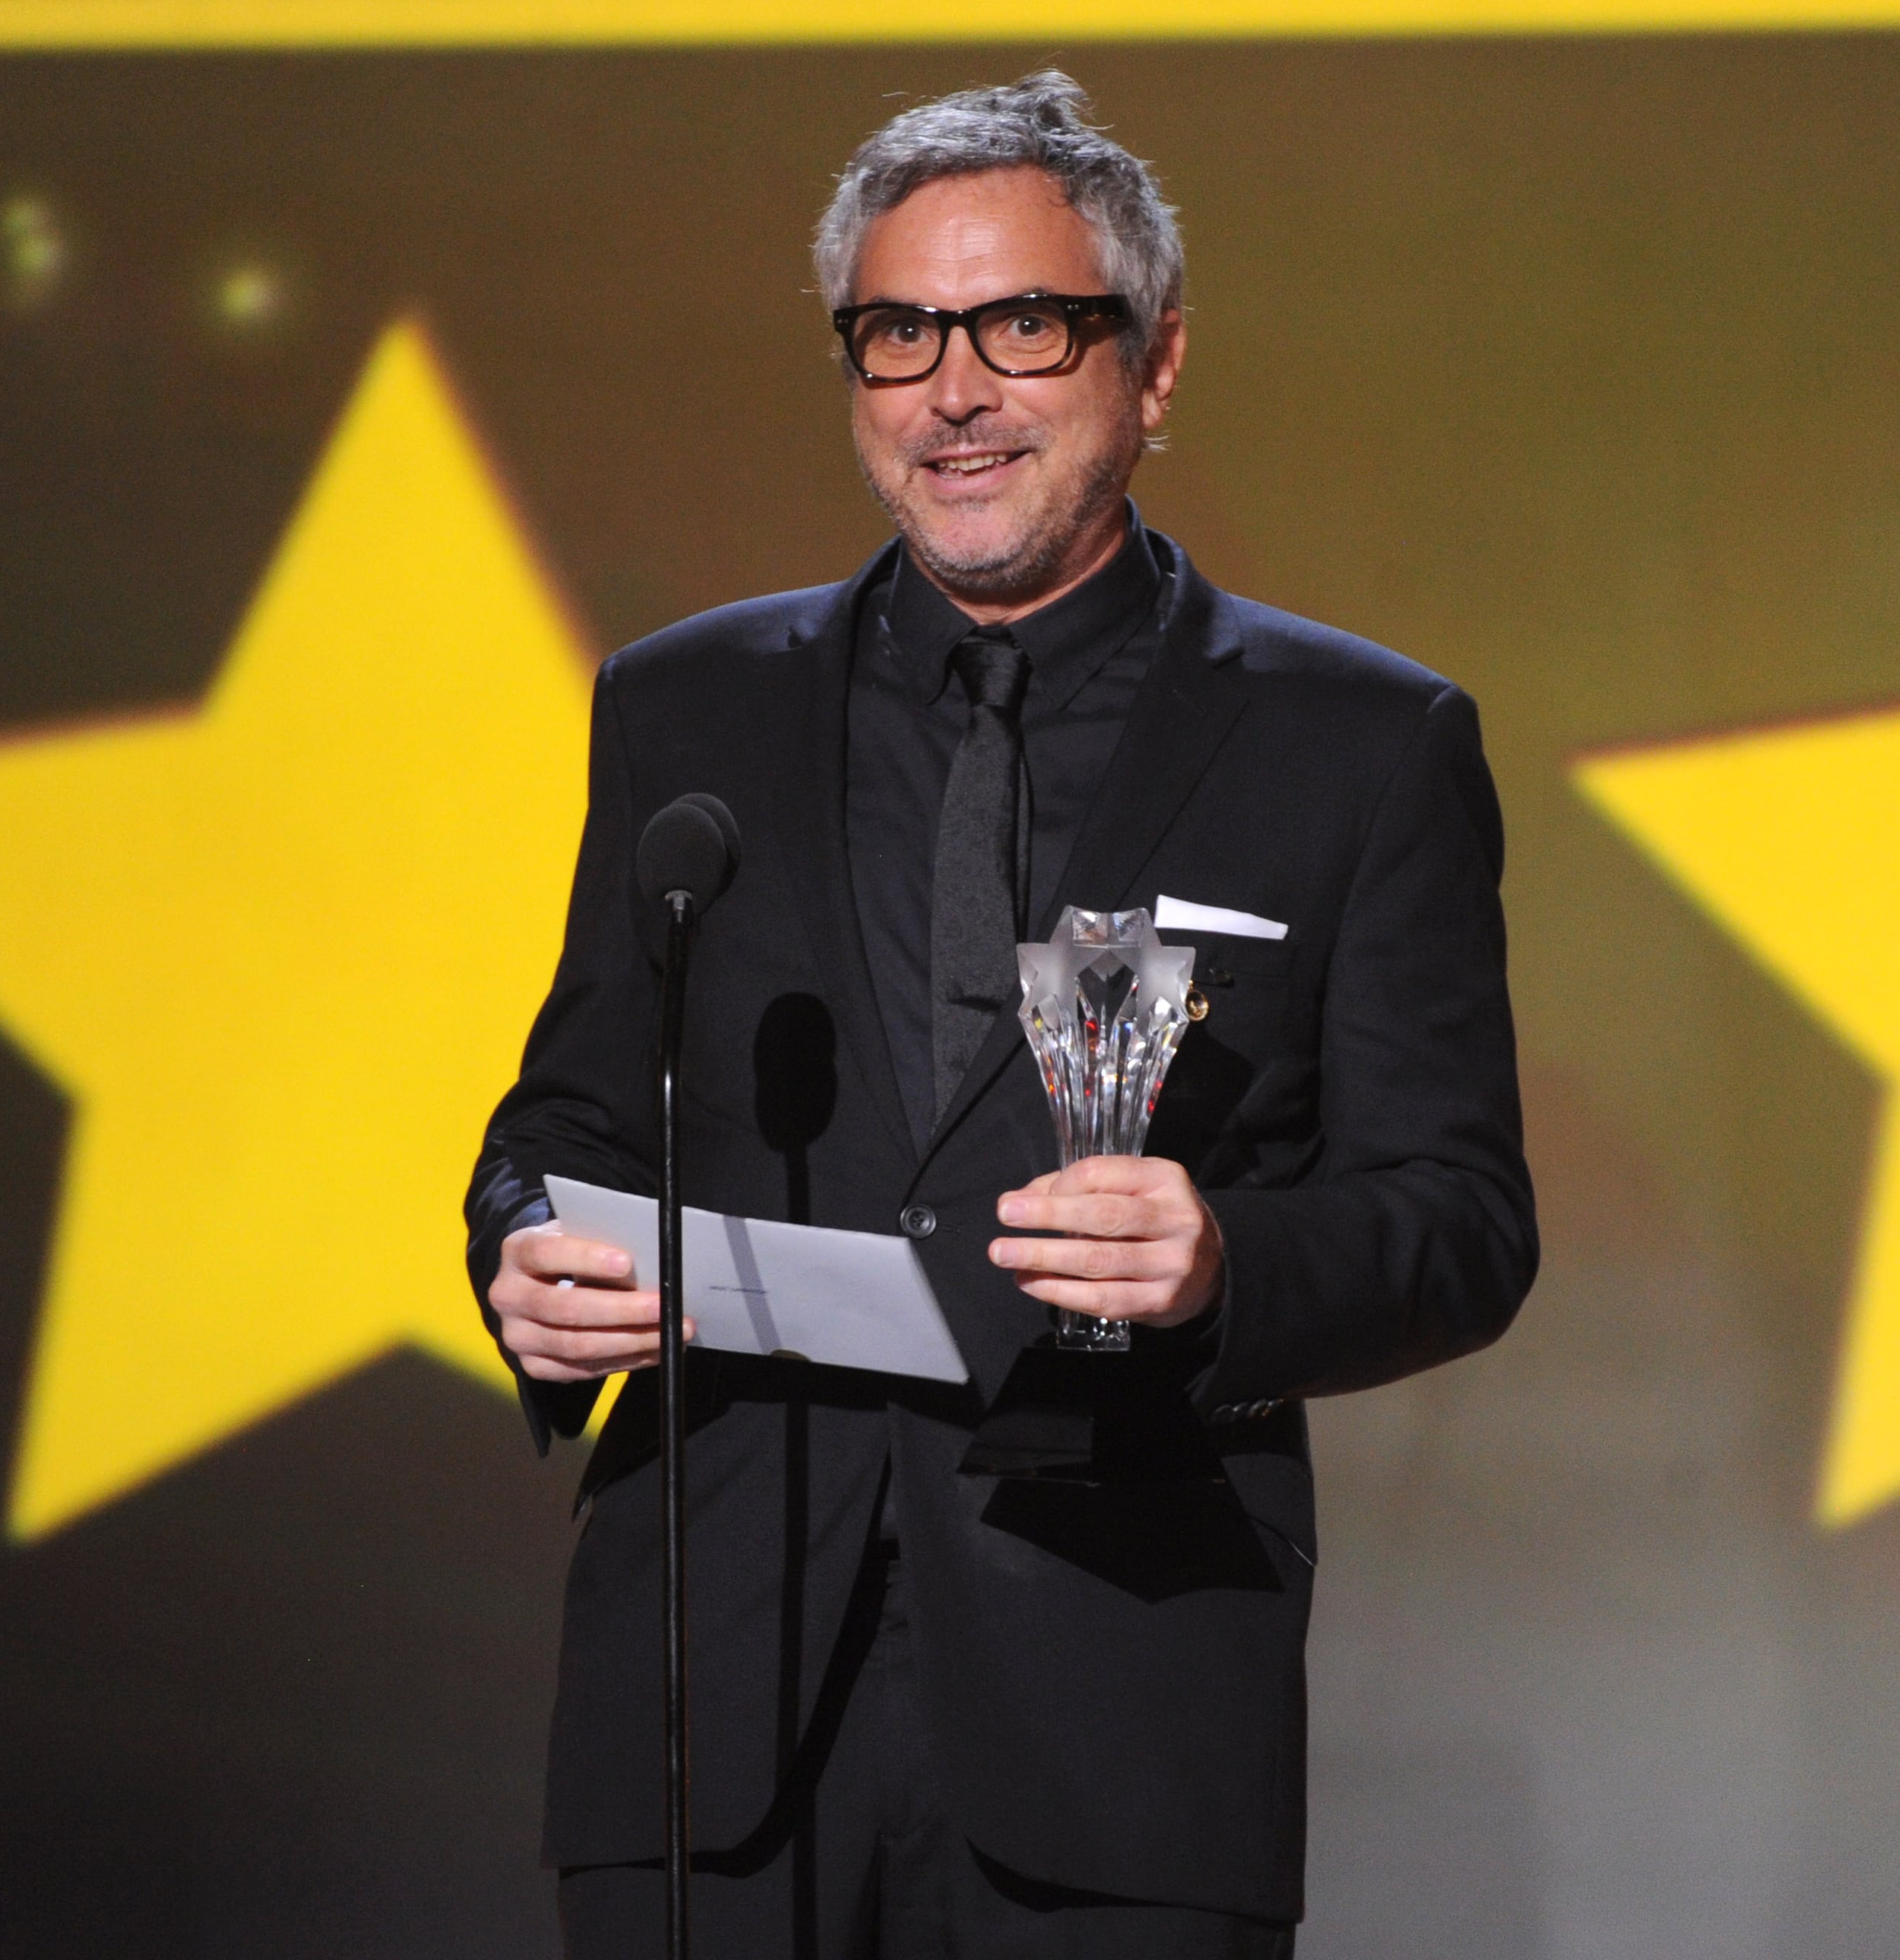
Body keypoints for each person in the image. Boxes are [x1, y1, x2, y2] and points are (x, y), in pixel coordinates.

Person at [465, 71, 1536, 1959]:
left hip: (1118, 1708)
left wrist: (1225, 1261)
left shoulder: (1360, 745)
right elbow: (567, 1121)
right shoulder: (683, 709)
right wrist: (524, 1254)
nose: (954, 390)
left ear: (1157, 360)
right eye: (897, 335)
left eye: (1023, 324)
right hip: (712, 1718)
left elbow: (1459, 1219)